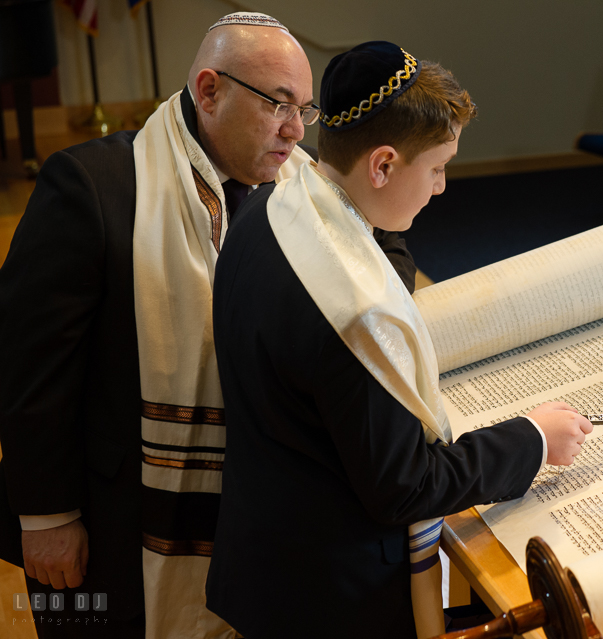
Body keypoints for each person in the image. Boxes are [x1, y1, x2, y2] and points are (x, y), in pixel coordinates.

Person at [0, 12, 408, 639]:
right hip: (120, 522)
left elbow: (386, 264)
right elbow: (32, 369)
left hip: (250, 522)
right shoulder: (92, 187)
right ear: (209, 91)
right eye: (278, 104)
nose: (296, 130)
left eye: (305, 109)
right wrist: (46, 515)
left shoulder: (299, 185)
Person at [205, 41, 593, 639]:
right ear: (382, 165)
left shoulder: (274, 205)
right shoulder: (355, 316)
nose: (441, 188)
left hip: (264, 553)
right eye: (437, 169)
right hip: (335, 599)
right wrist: (533, 439)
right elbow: (404, 486)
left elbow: (378, 251)